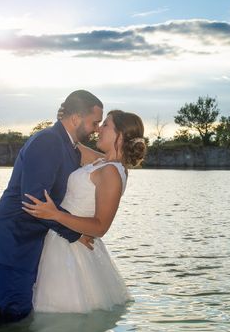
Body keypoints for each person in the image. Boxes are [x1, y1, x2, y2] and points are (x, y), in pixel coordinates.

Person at [0, 90, 103, 325]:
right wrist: (75, 232)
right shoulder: (48, 141)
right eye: (94, 122)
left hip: (30, 243)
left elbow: (104, 161)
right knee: (12, 318)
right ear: (76, 118)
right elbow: (34, 200)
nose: (96, 128)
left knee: (20, 314)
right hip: (13, 244)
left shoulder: (69, 145)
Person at [22, 110, 147, 313]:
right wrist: (68, 117)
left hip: (70, 249)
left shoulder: (112, 173)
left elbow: (100, 227)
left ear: (120, 135)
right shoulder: (102, 162)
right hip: (60, 238)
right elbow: (71, 142)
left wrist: (55, 214)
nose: (98, 129)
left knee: (59, 313)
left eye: (105, 125)